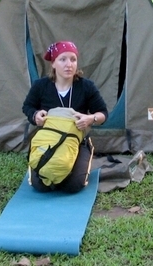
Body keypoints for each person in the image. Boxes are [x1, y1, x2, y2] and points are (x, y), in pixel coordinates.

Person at [22, 41, 108, 193]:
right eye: (63, 59)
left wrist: (90, 119)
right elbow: (27, 107)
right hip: (48, 140)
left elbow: (103, 114)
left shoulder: (86, 86)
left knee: (73, 186)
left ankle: (85, 156)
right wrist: (35, 115)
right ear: (53, 63)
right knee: (41, 185)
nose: (69, 64)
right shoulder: (41, 86)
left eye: (73, 59)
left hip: (75, 142)